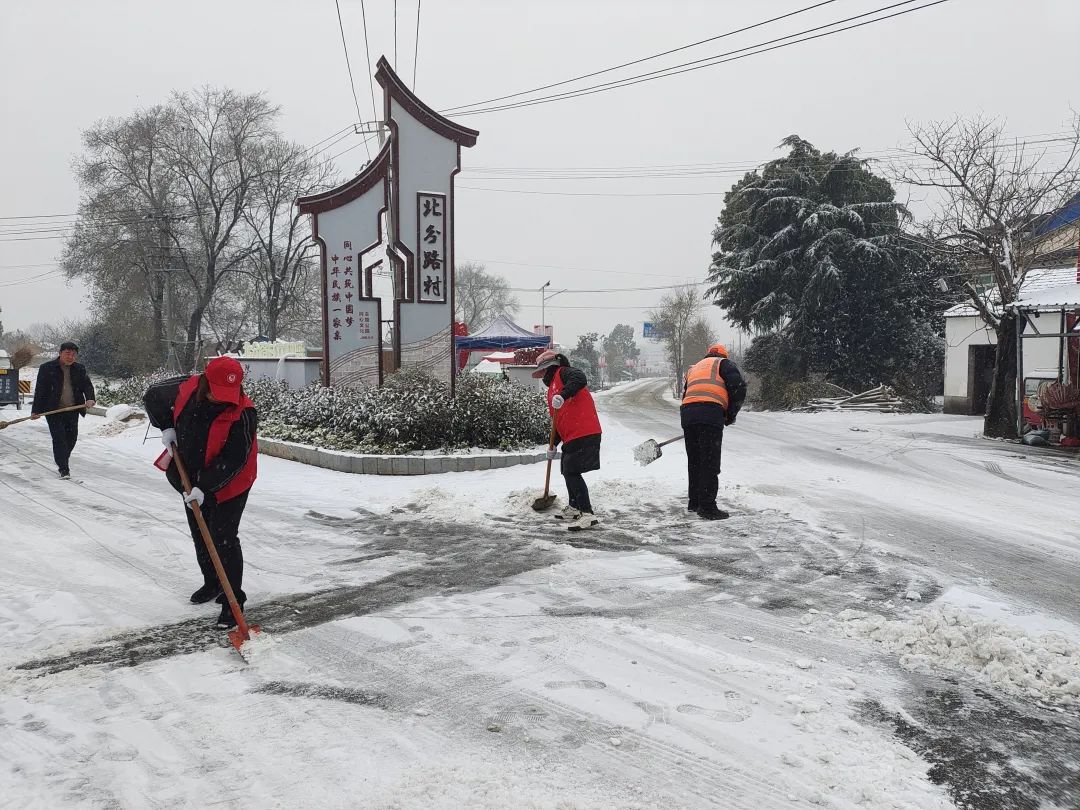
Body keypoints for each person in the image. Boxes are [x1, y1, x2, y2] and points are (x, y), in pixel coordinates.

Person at [143, 357, 258, 628]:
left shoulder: (244, 412)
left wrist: (204, 487)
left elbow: (235, 458)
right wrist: (166, 426)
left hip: (230, 482)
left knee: (223, 537)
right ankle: (212, 583)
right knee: (199, 530)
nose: (222, 399)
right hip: (188, 475)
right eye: (217, 392)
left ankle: (234, 601)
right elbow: (152, 395)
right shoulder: (184, 388)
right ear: (205, 381)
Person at [532, 350, 602, 530]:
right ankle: (574, 507)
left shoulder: (563, 373)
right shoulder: (552, 390)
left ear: (549, 368)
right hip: (572, 434)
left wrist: (563, 395)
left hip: (584, 430)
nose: (542, 377)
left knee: (572, 471)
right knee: (567, 470)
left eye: (543, 372)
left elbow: (580, 378)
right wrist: (553, 445)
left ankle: (587, 513)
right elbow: (558, 419)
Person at [680, 343, 747, 521]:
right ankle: (708, 507)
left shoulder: (694, 368)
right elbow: (739, 388)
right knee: (709, 461)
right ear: (723, 355)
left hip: (688, 413)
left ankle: (694, 503)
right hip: (710, 412)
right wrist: (730, 415)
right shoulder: (723, 364)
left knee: (695, 461)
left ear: (707, 355)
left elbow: (686, 393)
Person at [31, 341, 96, 479]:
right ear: (60, 353)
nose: (70, 357)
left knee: (71, 439)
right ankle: (64, 468)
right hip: (54, 410)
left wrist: (90, 398)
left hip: (73, 409)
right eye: (67, 353)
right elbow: (40, 390)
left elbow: (87, 386)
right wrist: (36, 410)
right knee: (59, 438)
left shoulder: (80, 369)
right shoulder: (47, 368)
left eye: (73, 354)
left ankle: (62, 458)